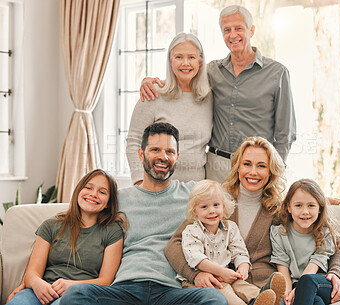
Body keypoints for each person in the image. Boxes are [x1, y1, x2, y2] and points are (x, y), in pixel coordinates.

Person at [59, 122, 227, 305]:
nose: (163, 157)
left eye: (169, 152)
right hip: (124, 290)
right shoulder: (118, 199)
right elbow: (83, 217)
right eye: (155, 149)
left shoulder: (194, 195)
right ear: (141, 154)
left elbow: (228, 202)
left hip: (172, 291)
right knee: (75, 294)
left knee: (214, 298)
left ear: (177, 157)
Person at [165, 137, 340, 305]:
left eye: (261, 166)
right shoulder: (216, 203)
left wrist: (335, 273)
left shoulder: (278, 208)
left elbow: (329, 238)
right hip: (225, 284)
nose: (253, 172)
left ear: (270, 171)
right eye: (247, 164)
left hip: (267, 287)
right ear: (237, 167)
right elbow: (175, 244)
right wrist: (195, 274)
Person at [140, 5, 296, 183]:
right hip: (216, 167)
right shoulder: (212, 71)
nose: (232, 35)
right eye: (227, 30)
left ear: (251, 31)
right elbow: (185, 74)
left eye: (238, 28)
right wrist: (151, 81)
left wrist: (275, 171)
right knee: (215, 211)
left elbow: (286, 133)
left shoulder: (277, 73)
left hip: (257, 167)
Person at [6, 169, 126, 305]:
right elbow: (32, 272)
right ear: (79, 191)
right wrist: (36, 283)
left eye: (102, 192)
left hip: (78, 294)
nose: (93, 194)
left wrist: (71, 285)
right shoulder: (51, 225)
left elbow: (106, 281)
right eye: (88, 187)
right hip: (42, 290)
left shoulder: (112, 231)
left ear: (109, 203)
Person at [126, 32, 212, 185]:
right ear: (170, 61)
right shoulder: (153, 93)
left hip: (196, 189)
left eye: (191, 57)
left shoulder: (208, 97)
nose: (185, 63)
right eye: (179, 57)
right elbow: (134, 141)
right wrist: (139, 180)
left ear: (200, 61)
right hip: (157, 186)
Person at [181, 179, 276, 305]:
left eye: (216, 205)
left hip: (226, 275)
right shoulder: (191, 231)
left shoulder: (230, 227)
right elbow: (196, 258)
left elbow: (239, 251)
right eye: (204, 207)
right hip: (203, 280)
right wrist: (220, 272)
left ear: (223, 206)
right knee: (230, 295)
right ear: (195, 211)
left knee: (244, 287)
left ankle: (267, 297)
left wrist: (243, 267)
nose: (211, 211)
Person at [270, 179, 340, 305]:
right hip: (297, 286)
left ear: (320, 208)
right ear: (288, 207)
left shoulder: (325, 233)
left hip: (321, 283)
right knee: (316, 302)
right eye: (298, 205)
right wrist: (288, 293)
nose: (305, 211)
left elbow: (314, 265)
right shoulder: (279, 233)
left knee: (308, 281)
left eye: (311, 205)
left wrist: (298, 290)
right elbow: (282, 267)